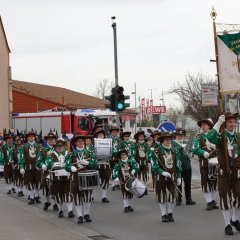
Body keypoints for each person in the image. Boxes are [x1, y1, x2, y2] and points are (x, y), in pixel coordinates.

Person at [207, 112, 240, 235]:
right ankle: (227, 225)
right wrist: (218, 122)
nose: (232, 124)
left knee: (239, 197)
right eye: (229, 122)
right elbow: (210, 137)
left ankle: (235, 220)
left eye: (233, 122)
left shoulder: (238, 136)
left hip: (237, 174)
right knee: (225, 199)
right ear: (225, 124)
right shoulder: (220, 136)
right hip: (224, 173)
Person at [65, 135, 97, 223]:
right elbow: (66, 164)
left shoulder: (89, 153)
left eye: (82, 141)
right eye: (78, 141)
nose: (80, 143)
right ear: (75, 143)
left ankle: (86, 214)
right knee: (77, 197)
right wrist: (71, 168)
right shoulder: (71, 154)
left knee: (87, 197)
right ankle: (79, 216)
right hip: (75, 178)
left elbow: (95, 164)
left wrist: (88, 163)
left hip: (87, 177)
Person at [151, 132, 182, 223]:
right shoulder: (156, 151)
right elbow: (154, 165)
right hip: (160, 177)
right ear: (162, 141)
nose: (168, 141)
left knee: (173, 196)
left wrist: (179, 176)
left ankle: (170, 213)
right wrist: (162, 172)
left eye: (169, 139)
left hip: (173, 176)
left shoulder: (175, 151)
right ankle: (163, 214)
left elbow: (178, 165)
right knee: (161, 196)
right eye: (166, 140)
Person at [192, 118, 218, 210]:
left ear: (209, 126)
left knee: (215, 182)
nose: (203, 126)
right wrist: (203, 153)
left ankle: (213, 200)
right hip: (204, 163)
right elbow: (195, 149)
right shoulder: (198, 137)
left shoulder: (214, 136)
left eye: (205, 125)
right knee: (206, 182)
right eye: (202, 125)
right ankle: (208, 202)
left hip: (215, 162)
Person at [44, 139, 74, 218]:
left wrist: (68, 165)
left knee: (68, 194)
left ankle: (70, 211)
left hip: (67, 177)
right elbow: (48, 162)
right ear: (55, 147)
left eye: (61, 146)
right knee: (58, 195)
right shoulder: (51, 154)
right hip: (56, 178)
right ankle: (60, 210)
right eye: (58, 146)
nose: (60, 148)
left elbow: (70, 162)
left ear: (63, 147)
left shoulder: (68, 154)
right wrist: (53, 164)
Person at [172, 128, 196, 206]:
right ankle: (178, 199)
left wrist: (191, 153)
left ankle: (188, 199)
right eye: (179, 135)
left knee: (188, 183)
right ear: (176, 135)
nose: (180, 136)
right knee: (178, 183)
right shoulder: (173, 143)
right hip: (177, 167)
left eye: (182, 135)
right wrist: (181, 147)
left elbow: (191, 151)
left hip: (187, 166)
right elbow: (173, 151)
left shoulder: (186, 142)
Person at [36, 130, 58, 211]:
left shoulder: (58, 149)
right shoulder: (43, 150)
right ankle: (47, 201)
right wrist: (42, 165)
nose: (51, 140)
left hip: (57, 172)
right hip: (46, 171)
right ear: (47, 140)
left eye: (52, 139)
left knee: (55, 187)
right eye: (49, 139)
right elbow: (38, 161)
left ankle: (56, 203)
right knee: (45, 187)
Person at [18, 130, 42, 204]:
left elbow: (42, 157)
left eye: (32, 136)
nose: (31, 137)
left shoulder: (39, 146)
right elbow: (21, 158)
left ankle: (37, 196)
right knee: (30, 183)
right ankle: (31, 197)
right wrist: (21, 167)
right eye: (29, 136)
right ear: (27, 138)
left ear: (35, 137)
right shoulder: (23, 147)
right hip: (28, 168)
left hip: (37, 167)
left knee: (38, 182)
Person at [94, 130, 111, 203]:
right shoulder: (94, 144)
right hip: (96, 164)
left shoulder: (108, 143)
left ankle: (104, 196)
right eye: (99, 135)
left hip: (105, 164)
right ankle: (91, 196)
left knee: (105, 180)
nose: (100, 136)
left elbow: (111, 152)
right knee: (94, 181)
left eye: (102, 135)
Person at [108, 126, 121, 191]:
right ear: (111, 133)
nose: (115, 133)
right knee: (112, 170)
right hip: (111, 158)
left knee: (118, 170)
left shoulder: (120, 140)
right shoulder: (109, 140)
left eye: (116, 132)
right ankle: (113, 185)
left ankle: (117, 184)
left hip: (118, 157)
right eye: (113, 132)